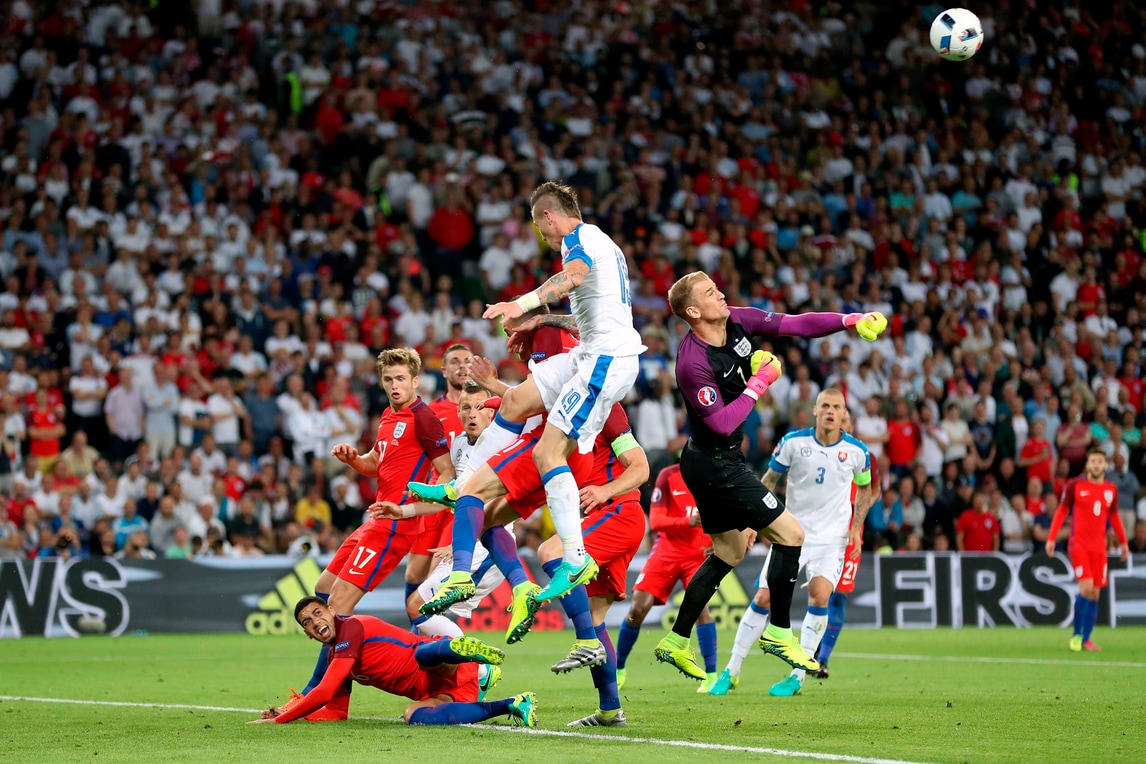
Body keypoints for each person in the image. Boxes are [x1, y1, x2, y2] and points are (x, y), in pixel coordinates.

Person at [653, 271, 887, 682]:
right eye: (710, 293)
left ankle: (675, 640)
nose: (720, 294)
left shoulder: (735, 319)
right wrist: (759, 381)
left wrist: (848, 320)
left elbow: (795, 324)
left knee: (729, 552)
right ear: (693, 312)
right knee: (791, 535)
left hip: (712, 460)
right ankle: (779, 631)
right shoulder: (692, 363)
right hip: (715, 463)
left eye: (716, 288)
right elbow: (722, 424)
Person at [419, 181, 645, 604]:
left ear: (548, 216)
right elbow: (585, 320)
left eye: (541, 229)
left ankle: (574, 558)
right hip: (592, 354)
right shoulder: (603, 244)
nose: (543, 237)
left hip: (604, 362)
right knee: (516, 400)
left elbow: (572, 277)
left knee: (547, 453)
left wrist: (521, 305)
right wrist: (541, 320)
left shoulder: (577, 240)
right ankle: (460, 486)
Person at [709, 389, 874, 697]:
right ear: (815, 410)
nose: (830, 411)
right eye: (825, 405)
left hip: (832, 539)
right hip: (791, 534)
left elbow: (865, 489)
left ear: (843, 414)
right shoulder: (793, 443)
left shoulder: (856, 451)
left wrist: (856, 527)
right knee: (763, 598)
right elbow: (769, 481)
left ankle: (797, 677)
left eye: (836, 407)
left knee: (820, 596)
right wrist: (753, 522)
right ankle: (732, 670)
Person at [252, 596, 536, 727]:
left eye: (317, 613)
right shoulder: (335, 657)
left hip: (439, 661)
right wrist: (295, 715)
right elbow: (336, 711)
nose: (315, 622)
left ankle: (464, 652)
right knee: (413, 715)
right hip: (440, 691)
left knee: (422, 655)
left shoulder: (352, 627)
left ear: (331, 610)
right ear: (307, 634)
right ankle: (512, 703)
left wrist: (282, 719)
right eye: (307, 622)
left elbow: (323, 691)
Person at [407, 379, 501, 638]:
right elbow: (459, 495)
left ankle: (471, 662)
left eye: (479, 407)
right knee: (422, 610)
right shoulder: (459, 445)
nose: (472, 414)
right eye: (466, 408)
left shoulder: (499, 446)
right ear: (457, 412)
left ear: (491, 412)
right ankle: (460, 662)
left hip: (488, 545)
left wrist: (464, 543)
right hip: (468, 545)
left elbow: (498, 504)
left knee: (419, 607)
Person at [615, 464, 719, 693]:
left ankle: (712, 676)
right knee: (637, 610)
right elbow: (656, 521)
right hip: (667, 551)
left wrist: (723, 542)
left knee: (701, 610)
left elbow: (729, 513)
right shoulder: (669, 475)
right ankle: (618, 668)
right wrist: (686, 521)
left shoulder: (714, 473)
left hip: (699, 554)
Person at [405, 344, 474, 613]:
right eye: (455, 361)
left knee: (438, 575)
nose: (462, 366)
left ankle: (434, 634)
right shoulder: (430, 412)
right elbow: (418, 457)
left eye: (467, 360)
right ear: (444, 370)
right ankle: (416, 629)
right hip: (436, 497)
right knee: (414, 573)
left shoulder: (485, 409)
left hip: (463, 500)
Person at [809, 409, 876, 679]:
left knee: (838, 597)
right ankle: (811, 650)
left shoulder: (861, 455)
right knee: (820, 594)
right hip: (821, 534)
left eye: (845, 420)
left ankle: (822, 659)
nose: (841, 424)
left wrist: (856, 522)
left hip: (849, 536)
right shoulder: (818, 453)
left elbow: (872, 491)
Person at [1046, 448, 1129, 652]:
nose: (1096, 465)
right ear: (1087, 464)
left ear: (1105, 465)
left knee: (1095, 595)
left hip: (1099, 548)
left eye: (1100, 461)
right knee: (1086, 588)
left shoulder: (1111, 489)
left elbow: (1114, 516)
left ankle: (1086, 639)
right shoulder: (1075, 485)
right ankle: (1076, 636)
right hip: (1079, 546)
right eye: (1093, 461)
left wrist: (1123, 542)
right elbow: (1062, 511)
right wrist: (1051, 538)